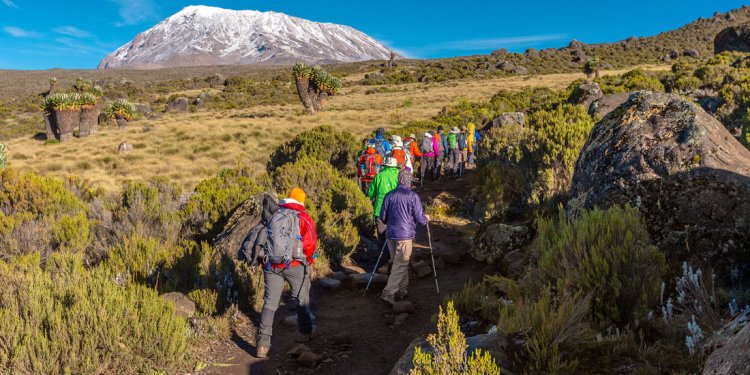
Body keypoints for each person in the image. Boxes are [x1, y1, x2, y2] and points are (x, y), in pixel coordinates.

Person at [257, 187, 318, 358]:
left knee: (269, 303)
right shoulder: (303, 217)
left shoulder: (274, 214)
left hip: (271, 265)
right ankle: (305, 333)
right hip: (295, 265)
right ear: (301, 201)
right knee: (301, 298)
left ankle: (262, 344)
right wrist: (308, 262)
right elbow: (310, 244)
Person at [379, 169, 429, 305]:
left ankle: (402, 289)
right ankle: (388, 292)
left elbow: (382, 217)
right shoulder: (413, 196)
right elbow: (420, 218)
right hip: (405, 235)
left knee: (398, 262)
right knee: (401, 263)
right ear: (409, 181)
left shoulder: (389, 195)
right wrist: (426, 219)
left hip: (390, 234)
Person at [367, 157, 400, 267]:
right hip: (396, 211)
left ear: (385, 165)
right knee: (395, 236)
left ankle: (382, 262)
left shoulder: (379, 176)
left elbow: (371, 193)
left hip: (380, 211)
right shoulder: (398, 175)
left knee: (382, 236)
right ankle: (394, 260)